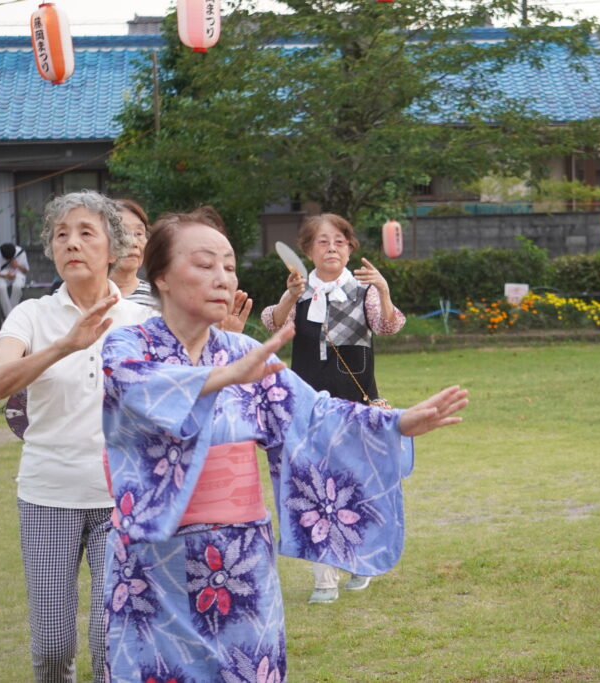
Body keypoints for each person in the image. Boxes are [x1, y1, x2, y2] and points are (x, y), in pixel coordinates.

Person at [100, 214, 467, 682]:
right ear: (163, 278)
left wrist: (397, 422)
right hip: (153, 561)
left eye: (229, 266)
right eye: (205, 264)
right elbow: (136, 388)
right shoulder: (130, 344)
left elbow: (314, 416)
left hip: (239, 557)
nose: (223, 278)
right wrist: (223, 378)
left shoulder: (241, 351)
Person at [0, 191, 151, 683]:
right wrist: (64, 345)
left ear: (113, 249)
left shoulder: (143, 322)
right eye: (61, 235)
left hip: (120, 497)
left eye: (85, 233)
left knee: (109, 639)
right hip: (47, 494)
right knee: (53, 647)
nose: (71, 243)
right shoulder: (31, 315)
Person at [261, 213, 406, 603]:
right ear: (307, 250)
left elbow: (388, 326)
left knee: (356, 485)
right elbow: (274, 326)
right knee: (314, 488)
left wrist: (385, 289)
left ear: (350, 248)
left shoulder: (363, 291)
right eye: (323, 242)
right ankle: (324, 580)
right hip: (308, 405)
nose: (332, 248)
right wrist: (291, 294)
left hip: (356, 402)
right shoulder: (300, 292)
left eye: (340, 241)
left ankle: (360, 560)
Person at [108, 198, 156, 308]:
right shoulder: (82, 298)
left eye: (139, 233)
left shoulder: (159, 300)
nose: (133, 242)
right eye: (123, 233)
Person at [0, 242, 30, 317]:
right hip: (2, 274)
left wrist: (17, 266)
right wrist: (5, 276)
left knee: (17, 286)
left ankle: (8, 317)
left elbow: (26, 271)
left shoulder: (21, 252)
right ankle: (11, 316)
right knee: (1, 287)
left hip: (18, 273)